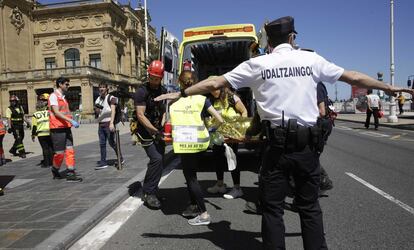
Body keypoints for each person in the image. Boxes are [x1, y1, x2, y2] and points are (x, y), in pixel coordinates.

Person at [155, 16, 414, 249]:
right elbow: (354, 77)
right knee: (310, 208)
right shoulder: (311, 59)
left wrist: (180, 93)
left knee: (273, 210)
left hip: (275, 149)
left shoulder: (258, 65)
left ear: (269, 40)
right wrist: (388, 87)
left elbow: (214, 82)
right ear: (292, 38)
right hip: (306, 148)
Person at [170, 69, 223, 225]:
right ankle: (194, 206)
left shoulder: (174, 102)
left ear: (180, 83)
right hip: (199, 143)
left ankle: (203, 213)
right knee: (192, 176)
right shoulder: (201, 99)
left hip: (183, 144)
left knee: (191, 178)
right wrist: (211, 129)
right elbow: (219, 118)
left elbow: (166, 122)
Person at [134, 60, 167, 209]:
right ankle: (149, 193)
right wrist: (154, 131)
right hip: (144, 130)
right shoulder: (141, 91)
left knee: (160, 161)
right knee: (156, 158)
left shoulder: (163, 90)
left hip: (158, 128)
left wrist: (163, 125)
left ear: (161, 78)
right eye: (152, 77)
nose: (154, 80)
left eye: (156, 78)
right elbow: (140, 115)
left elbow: (164, 110)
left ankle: (152, 187)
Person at [207, 84, 247, 199]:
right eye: (210, 90)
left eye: (214, 89)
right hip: (218, 135)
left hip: (232, 136)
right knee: (217, 158)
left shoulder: (232, 98)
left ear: (221, 87)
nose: (213, 92)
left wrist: (239, 128)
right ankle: (220, 185)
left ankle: (237, 188)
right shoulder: (212, 100)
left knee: (232, 159)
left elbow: (244, 112)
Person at [48, 77, 82, 182]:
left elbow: (65, 112)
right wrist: (71, 120)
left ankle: (70, 172)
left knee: (70, 150)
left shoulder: (63, 97)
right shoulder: (53, 96)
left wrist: (73, 118)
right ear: (60, 84)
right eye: (66, 84)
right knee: (59, 153)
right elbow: (56, 112)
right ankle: (55, 169)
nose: (68, 86)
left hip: (66, 128)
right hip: (57, 128)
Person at [94, 82, 124, 170]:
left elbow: (113, 111)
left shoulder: (111, 98)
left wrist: (111, 123)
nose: (101, 89)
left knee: (111, 142)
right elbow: (98, 112)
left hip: (108, 123)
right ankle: (103, 162)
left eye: (103, 87)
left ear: (107, 88)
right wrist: (97, 109)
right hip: (101, 124)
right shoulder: (98, 99)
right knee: (102, 144)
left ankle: (120, 158)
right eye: (100, 87)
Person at [31, 93, 53, 168]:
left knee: (45, 148)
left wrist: (33, 135)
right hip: (49, 132)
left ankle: (46, 163)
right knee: (50, 147)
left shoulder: (35, 114)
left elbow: (34, 126)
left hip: (41, 134)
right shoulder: (48, 112)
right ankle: (52, 162)